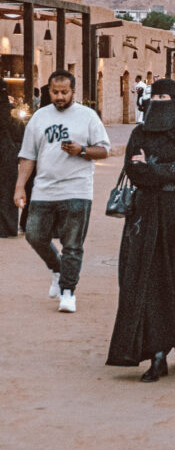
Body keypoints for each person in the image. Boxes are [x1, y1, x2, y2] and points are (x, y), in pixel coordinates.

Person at [106, 79, 175, 381]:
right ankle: (155, 353)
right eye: (157, 96)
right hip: (145, 218)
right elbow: (135, 173)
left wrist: (154, 168)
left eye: (167, 96)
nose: (161, 101)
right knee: (146, 282)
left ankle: (171, 343)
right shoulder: (140, 133)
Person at [14, 70, 110, 311]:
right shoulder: (39, 118)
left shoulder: (88, 116)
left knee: (72, 244)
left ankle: (68, 291)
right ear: (48, 90)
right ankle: (57, 268)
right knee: (34, 235)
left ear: (73, 92)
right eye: (55, 92)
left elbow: (104, 150)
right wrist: (19, 188)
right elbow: (27, 156)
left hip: (77, 189)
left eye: (64, 92)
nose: (59, 97)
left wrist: (83, 150)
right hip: (44, 189)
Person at [0, 86, 24, 237]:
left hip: (7, 154)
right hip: (8, 155)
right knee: (7, 191)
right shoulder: (10, 113)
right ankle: (8, 227)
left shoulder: (10, 113)